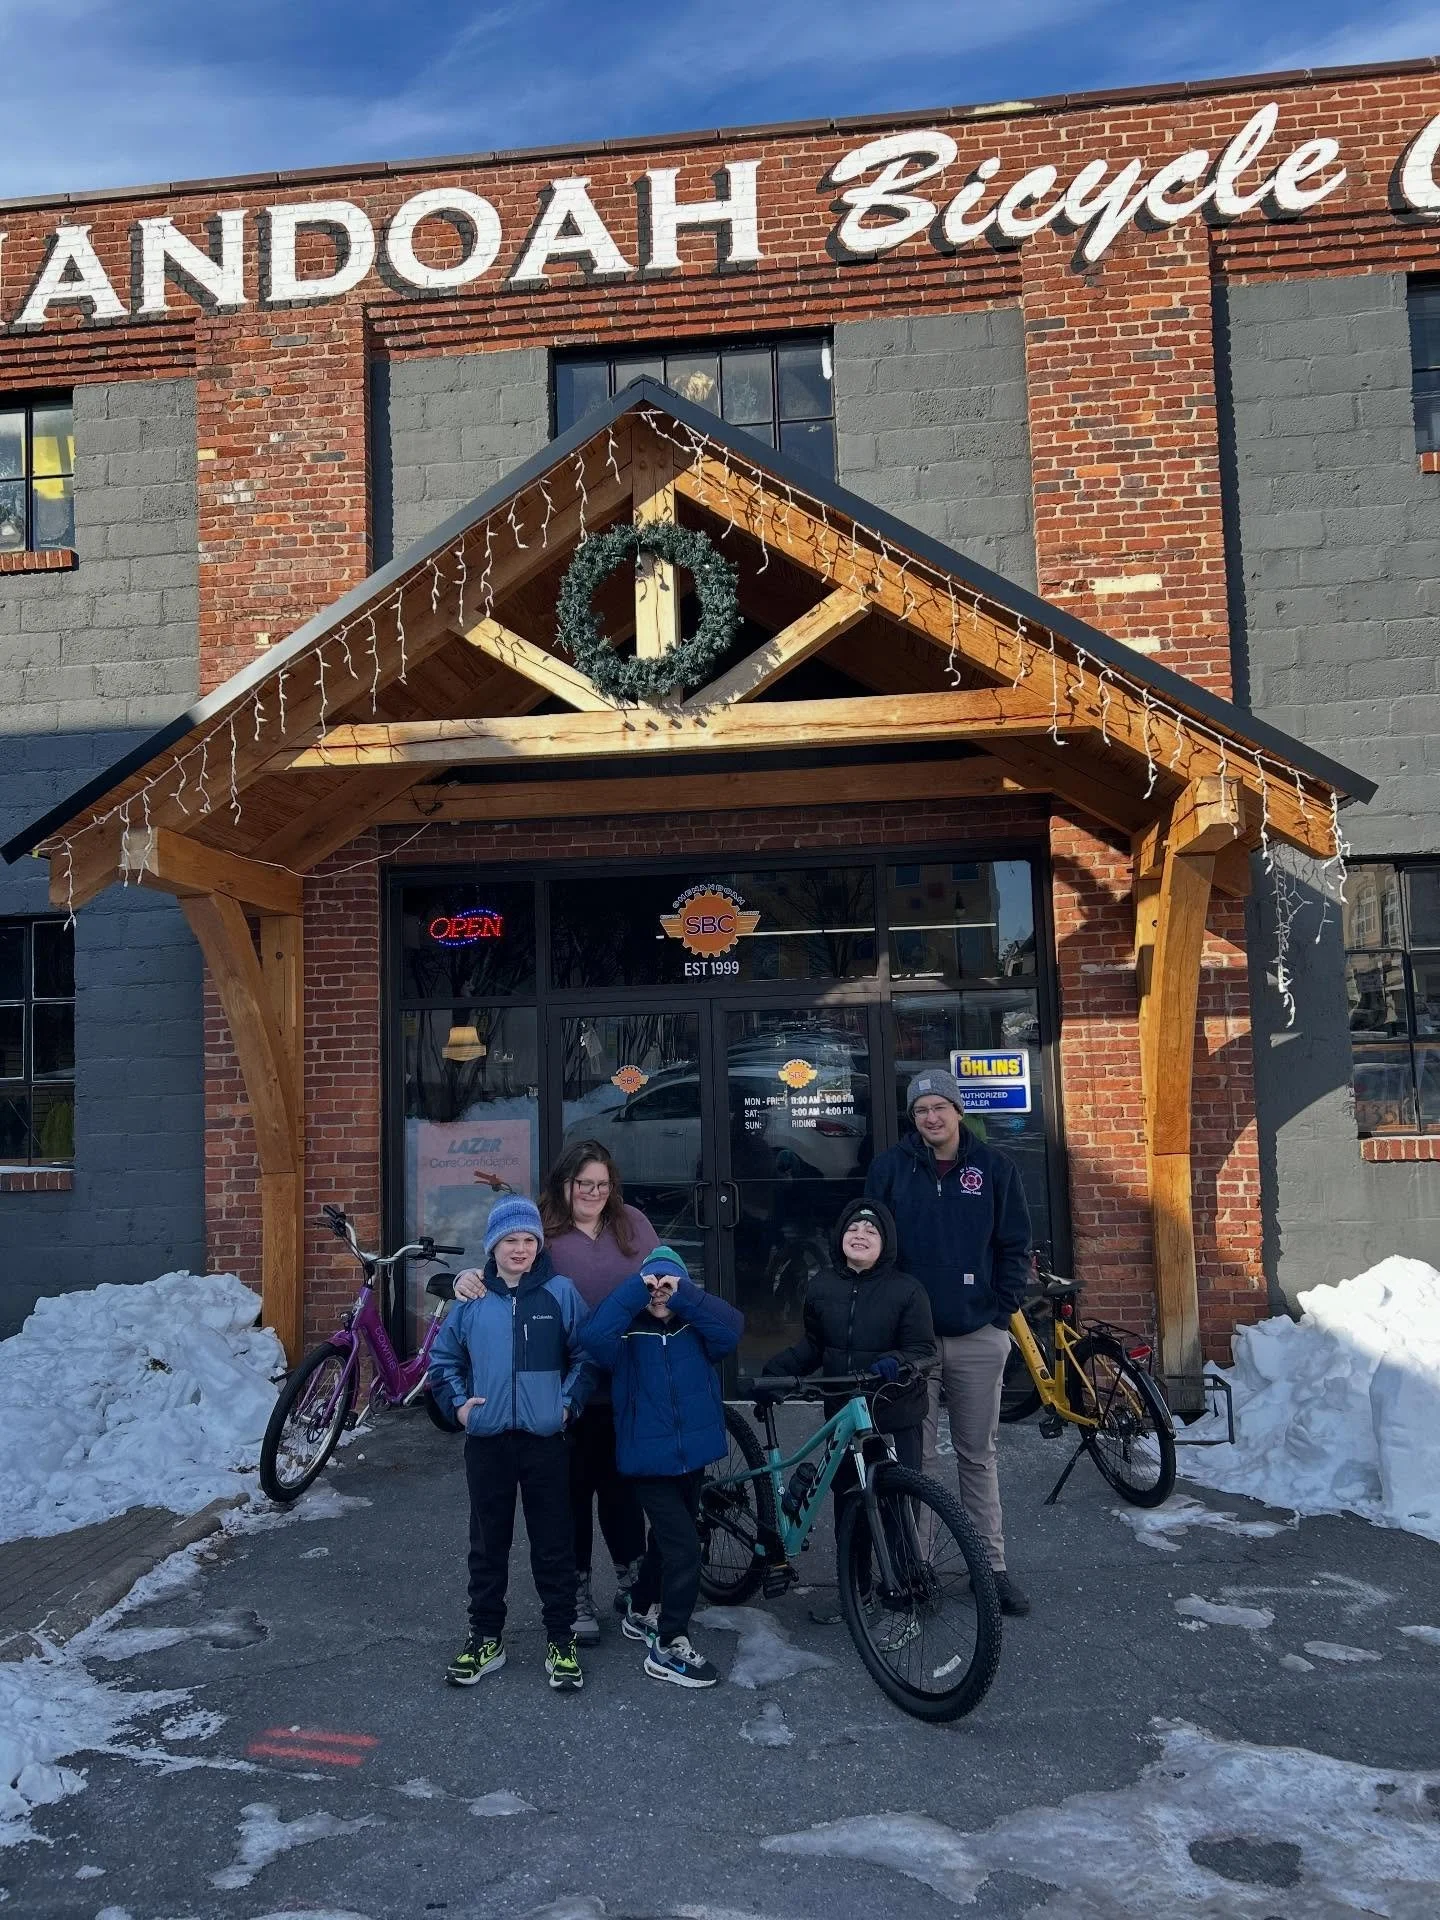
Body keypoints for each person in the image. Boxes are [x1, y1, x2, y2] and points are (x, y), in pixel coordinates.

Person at [456, 1144, 659, 1646]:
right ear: (563, 1184)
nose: (593, 1193)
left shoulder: (631, 1222)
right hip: (558, 1388)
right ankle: (577, 1591)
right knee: (570, 1493)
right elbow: (498, 1271)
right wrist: (460, 1279)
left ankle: (634, 1585)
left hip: (627, 1377)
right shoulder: (541, 1227)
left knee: (622, 1487)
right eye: (583, 1183)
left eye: (602, 1184)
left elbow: (666, 1269)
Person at [865, 1069, 1033, 1617]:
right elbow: (873, 1245)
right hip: (913, 1345)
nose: (931, 1118)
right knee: (916, 1462)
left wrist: (1000, 1310)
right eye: (920, 1110)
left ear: (958, 1111)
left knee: (977, 1456)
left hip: (978, 1335)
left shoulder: (994, 1168)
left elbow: (1014, 1245)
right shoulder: (891, 1168)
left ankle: (991, 1566)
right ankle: (917, 1566)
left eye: (940, 1106)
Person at [428, 1196, 593, 1693]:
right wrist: (458, 1407)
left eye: (528, 1240)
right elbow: (443, 1361)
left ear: (538, 1245)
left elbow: (586, 1356)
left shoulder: (560, 1293)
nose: (520, 1249)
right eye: (509, 1240)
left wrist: (566, 1405)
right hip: (489, 1442)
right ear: (493, 1246)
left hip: (546, 1441)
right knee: (488, 1543)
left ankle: (560, 1638)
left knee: (553, 1543)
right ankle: (486, 1637)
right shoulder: (472, 1300)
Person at [758, 1198, 935, 1622]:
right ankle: (855, 1593)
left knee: (896, 1506)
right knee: (850, 1506)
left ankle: (905, 1590)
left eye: (871, 1231)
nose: (860, 1235)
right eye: (853, 1228)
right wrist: (779, 1370)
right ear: (840, 1237)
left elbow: (923, 1350)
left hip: (893, 1416)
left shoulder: (906, 1290)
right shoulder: (823, 1286)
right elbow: (816, 1347)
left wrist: (898, 1363)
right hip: (843, 1417)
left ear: (885, 1242)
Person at [577, 1246, 743, 1688]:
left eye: (668, 1282)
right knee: (686, 1547)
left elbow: (732, 1330)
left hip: (692, 1456)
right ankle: (669, 1644)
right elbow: (591, 1339)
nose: (660, 1291)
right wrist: (635, 1288)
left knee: (667, 1541)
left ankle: (639, 1606)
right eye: (653, 1283)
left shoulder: (698, 1328)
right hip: (648, 1462)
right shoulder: (627, 1335)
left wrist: (685, 1294)